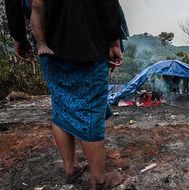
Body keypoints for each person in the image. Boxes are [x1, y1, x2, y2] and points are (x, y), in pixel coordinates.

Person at [5, 0, 126, 189]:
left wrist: (19, 36)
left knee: (61, 103)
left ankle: (71, 169)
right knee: (91, 108)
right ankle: (100, 180)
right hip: (87, 39)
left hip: (46, 39)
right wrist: (114, 40)